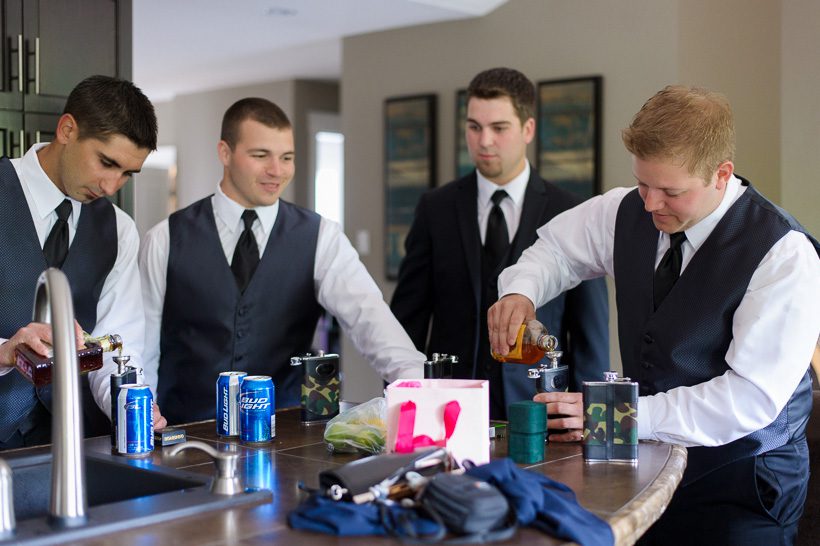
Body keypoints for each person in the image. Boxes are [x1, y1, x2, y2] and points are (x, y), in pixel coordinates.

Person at [489, 85, 820, 544]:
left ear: (721, 174)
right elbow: (556, 252)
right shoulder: (625, 210)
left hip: (745, 488)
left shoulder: (783, 254)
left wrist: (615, 416)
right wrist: (520, 293)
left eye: (670, 191)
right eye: (643, 183)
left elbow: (749, 398)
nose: (650, 204)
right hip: (646, 473)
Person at [140, 97, 424, 425]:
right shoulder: (165, 238)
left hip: (285, 437)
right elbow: (143, 344)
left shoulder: (321, 237)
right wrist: (146, 420)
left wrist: (415, 381)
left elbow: (370, 318)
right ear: (225, 152)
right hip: (185, 434)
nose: (277, 171)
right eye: (261, 155)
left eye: (287, 157)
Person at [390, 67, 609, 422]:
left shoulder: (570, 211)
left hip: (539, 412)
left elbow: (590, 333)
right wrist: (399, 401)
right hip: (448, 410)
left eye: (499, 128)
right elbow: (408, 320)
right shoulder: (436, 208)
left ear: (528, 129)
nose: (484, 141)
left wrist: (591, 417)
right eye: (474, 127)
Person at [0, 75, 167, 450]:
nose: (111, 186)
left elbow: (119, 344)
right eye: (106, 162)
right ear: (67, 129)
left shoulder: (119, 230)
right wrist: (4, 351)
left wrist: (132, 400)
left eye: (127, 173)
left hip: (75, 445)